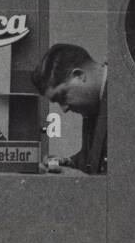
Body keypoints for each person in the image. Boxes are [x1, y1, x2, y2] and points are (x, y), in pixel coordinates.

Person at [31, 43, 108, 175]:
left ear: (78, 75)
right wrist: (71, 163)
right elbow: (99, 157)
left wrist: (82, 181)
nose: (64, 109)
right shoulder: (95, 102)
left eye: (62, 96)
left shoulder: (125, 96)